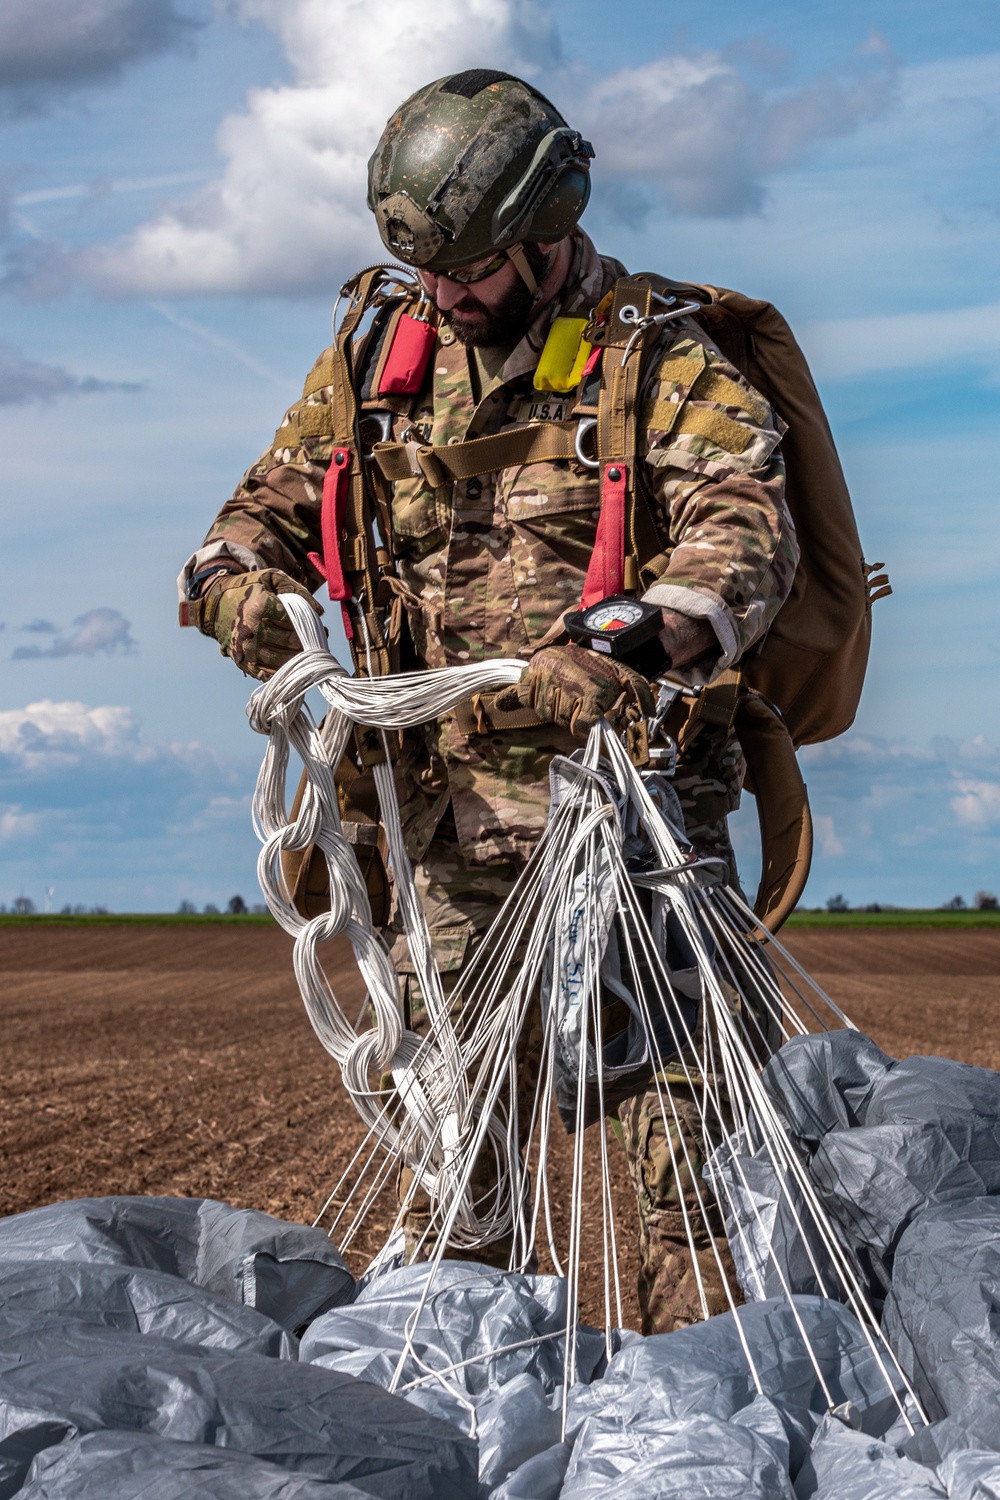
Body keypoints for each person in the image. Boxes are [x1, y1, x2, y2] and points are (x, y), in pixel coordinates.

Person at [179, 69, 798, 1333]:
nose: (448, 297)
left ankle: (726, 1424)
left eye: (470, 270)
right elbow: (263, 511)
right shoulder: (379, 354)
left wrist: (634, 633)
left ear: (546, 229)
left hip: (629, 832)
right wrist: (234, 586)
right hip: (443, 836)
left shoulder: (656, 360)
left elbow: (744, 533)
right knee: (457, 1176)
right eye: (431, 273)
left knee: (690, 1177)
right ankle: (466, 1428)